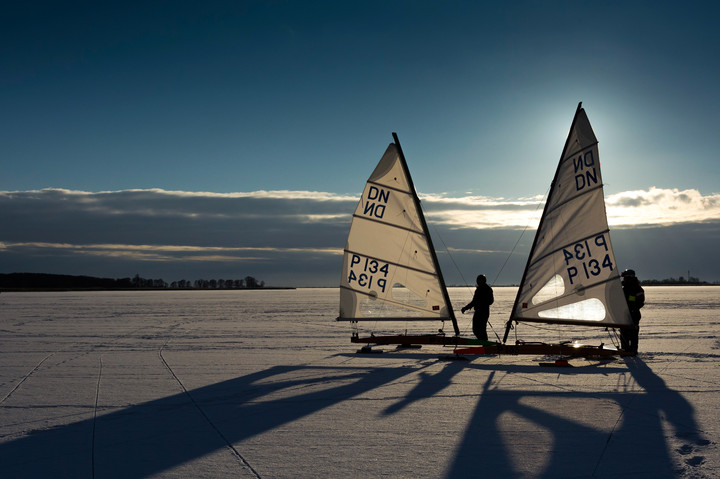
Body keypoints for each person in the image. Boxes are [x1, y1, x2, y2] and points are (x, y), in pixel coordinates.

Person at [461, 274, 494, 341]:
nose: (479, 282)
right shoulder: (478, 290)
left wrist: (483, 302)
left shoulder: (488, 289)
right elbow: (474, 301)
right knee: (475, 329)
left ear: (484, 281)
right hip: (478, 312)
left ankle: (485, 343)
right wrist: (466, 308)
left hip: (484, 312)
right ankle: (483, 341)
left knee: (482, 329)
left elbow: (491, 301)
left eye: (480, 280)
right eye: (478, 280)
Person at [620, 269, 645, 353]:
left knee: (633, 335)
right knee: (624, 334)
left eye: (625, 278)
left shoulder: (637, 288)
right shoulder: (623, 288)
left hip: (633, 315)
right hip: (624, 315)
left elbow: (640, 301)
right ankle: (624, 351)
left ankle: (633, 351)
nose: (624, 280)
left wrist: (629, 300)